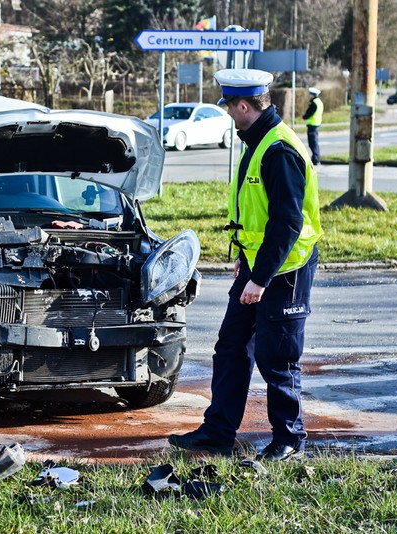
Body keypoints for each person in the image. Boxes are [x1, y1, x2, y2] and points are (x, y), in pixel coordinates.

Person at [168, 69, 323, 461]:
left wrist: (261, 278)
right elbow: (257, 214)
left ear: (243, 105)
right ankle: (218, 432)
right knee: (232, 347)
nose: (227, 113)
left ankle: (289, 440)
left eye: (227, 106)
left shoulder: (279, 149)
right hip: (257, 266)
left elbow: (287, 223)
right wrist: (244, 260)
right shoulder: (257, 140)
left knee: (278, 358)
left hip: (284, 270)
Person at [302, 87, 323, 165]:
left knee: (312, 143)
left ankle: (316, 159)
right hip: (317, 124)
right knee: (314, 142)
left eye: (310, 94)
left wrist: (304, 117)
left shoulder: (314, 103)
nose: (309, 95)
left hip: (312, 124)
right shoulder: (319, 102)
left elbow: (310, 112)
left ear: (313, 95)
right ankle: (316, 159)